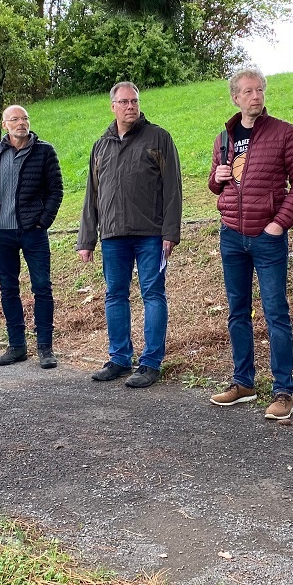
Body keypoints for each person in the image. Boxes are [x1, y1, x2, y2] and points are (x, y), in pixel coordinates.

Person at [207, 68, 293, 421]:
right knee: (237, 312)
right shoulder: (224, 137)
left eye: (260, 90)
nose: (256, 96)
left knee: (275, 313)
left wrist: (278, 224)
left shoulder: (284, 133)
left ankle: (283, 391)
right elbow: (216, 184)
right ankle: (243, 383)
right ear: (235, 97)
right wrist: (216, 177)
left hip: (267, 239)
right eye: (248, 91)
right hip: (231, 236)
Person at [77, 81, 182, 389]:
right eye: (123, 102)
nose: (130, 106)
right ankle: (120, 359)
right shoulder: (101, 145)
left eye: (134, 101)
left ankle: (150, 363)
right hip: (112, 235)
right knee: (115, 295)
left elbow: (173, 188)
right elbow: (92, 194)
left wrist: (170, 232)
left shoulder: (158, 138)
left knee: (153, 295)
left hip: (151, 234)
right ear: (113, 106)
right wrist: (86, 239)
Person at [0, 105, 64, 369]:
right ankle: (16, 346)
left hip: (33, 232)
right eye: (14, 119)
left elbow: (56, 190)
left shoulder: (44, 151)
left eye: (24, 118)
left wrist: (42, 222)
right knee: (8, 289)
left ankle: (45, 348)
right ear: (4, 125)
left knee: (42, 287)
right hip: (1, 233)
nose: (21, 123)